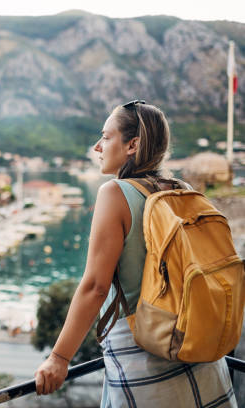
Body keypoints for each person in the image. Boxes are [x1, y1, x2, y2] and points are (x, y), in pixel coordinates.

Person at [34, 101, 236, 407]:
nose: (97, 146)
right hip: (199, 352)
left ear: (133, 144)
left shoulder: (114, 193)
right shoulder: (181, 188)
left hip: (147, 357)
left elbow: (96, 287)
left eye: (106, 136)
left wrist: (59, 357)